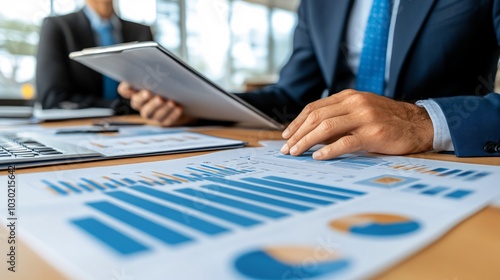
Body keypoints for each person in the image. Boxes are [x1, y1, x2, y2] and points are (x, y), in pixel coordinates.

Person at [118, 0, 500, 158]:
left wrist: (420, 122)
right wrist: (192, 105)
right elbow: (290, 95)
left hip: (444, 160)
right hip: (334, 162)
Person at [36, 0, 154, 113]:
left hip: (140, 124)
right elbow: (52, 98)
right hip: (80, 125)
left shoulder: (142, 32)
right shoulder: (57, 27)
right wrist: (119, 106)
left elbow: (153, 89)